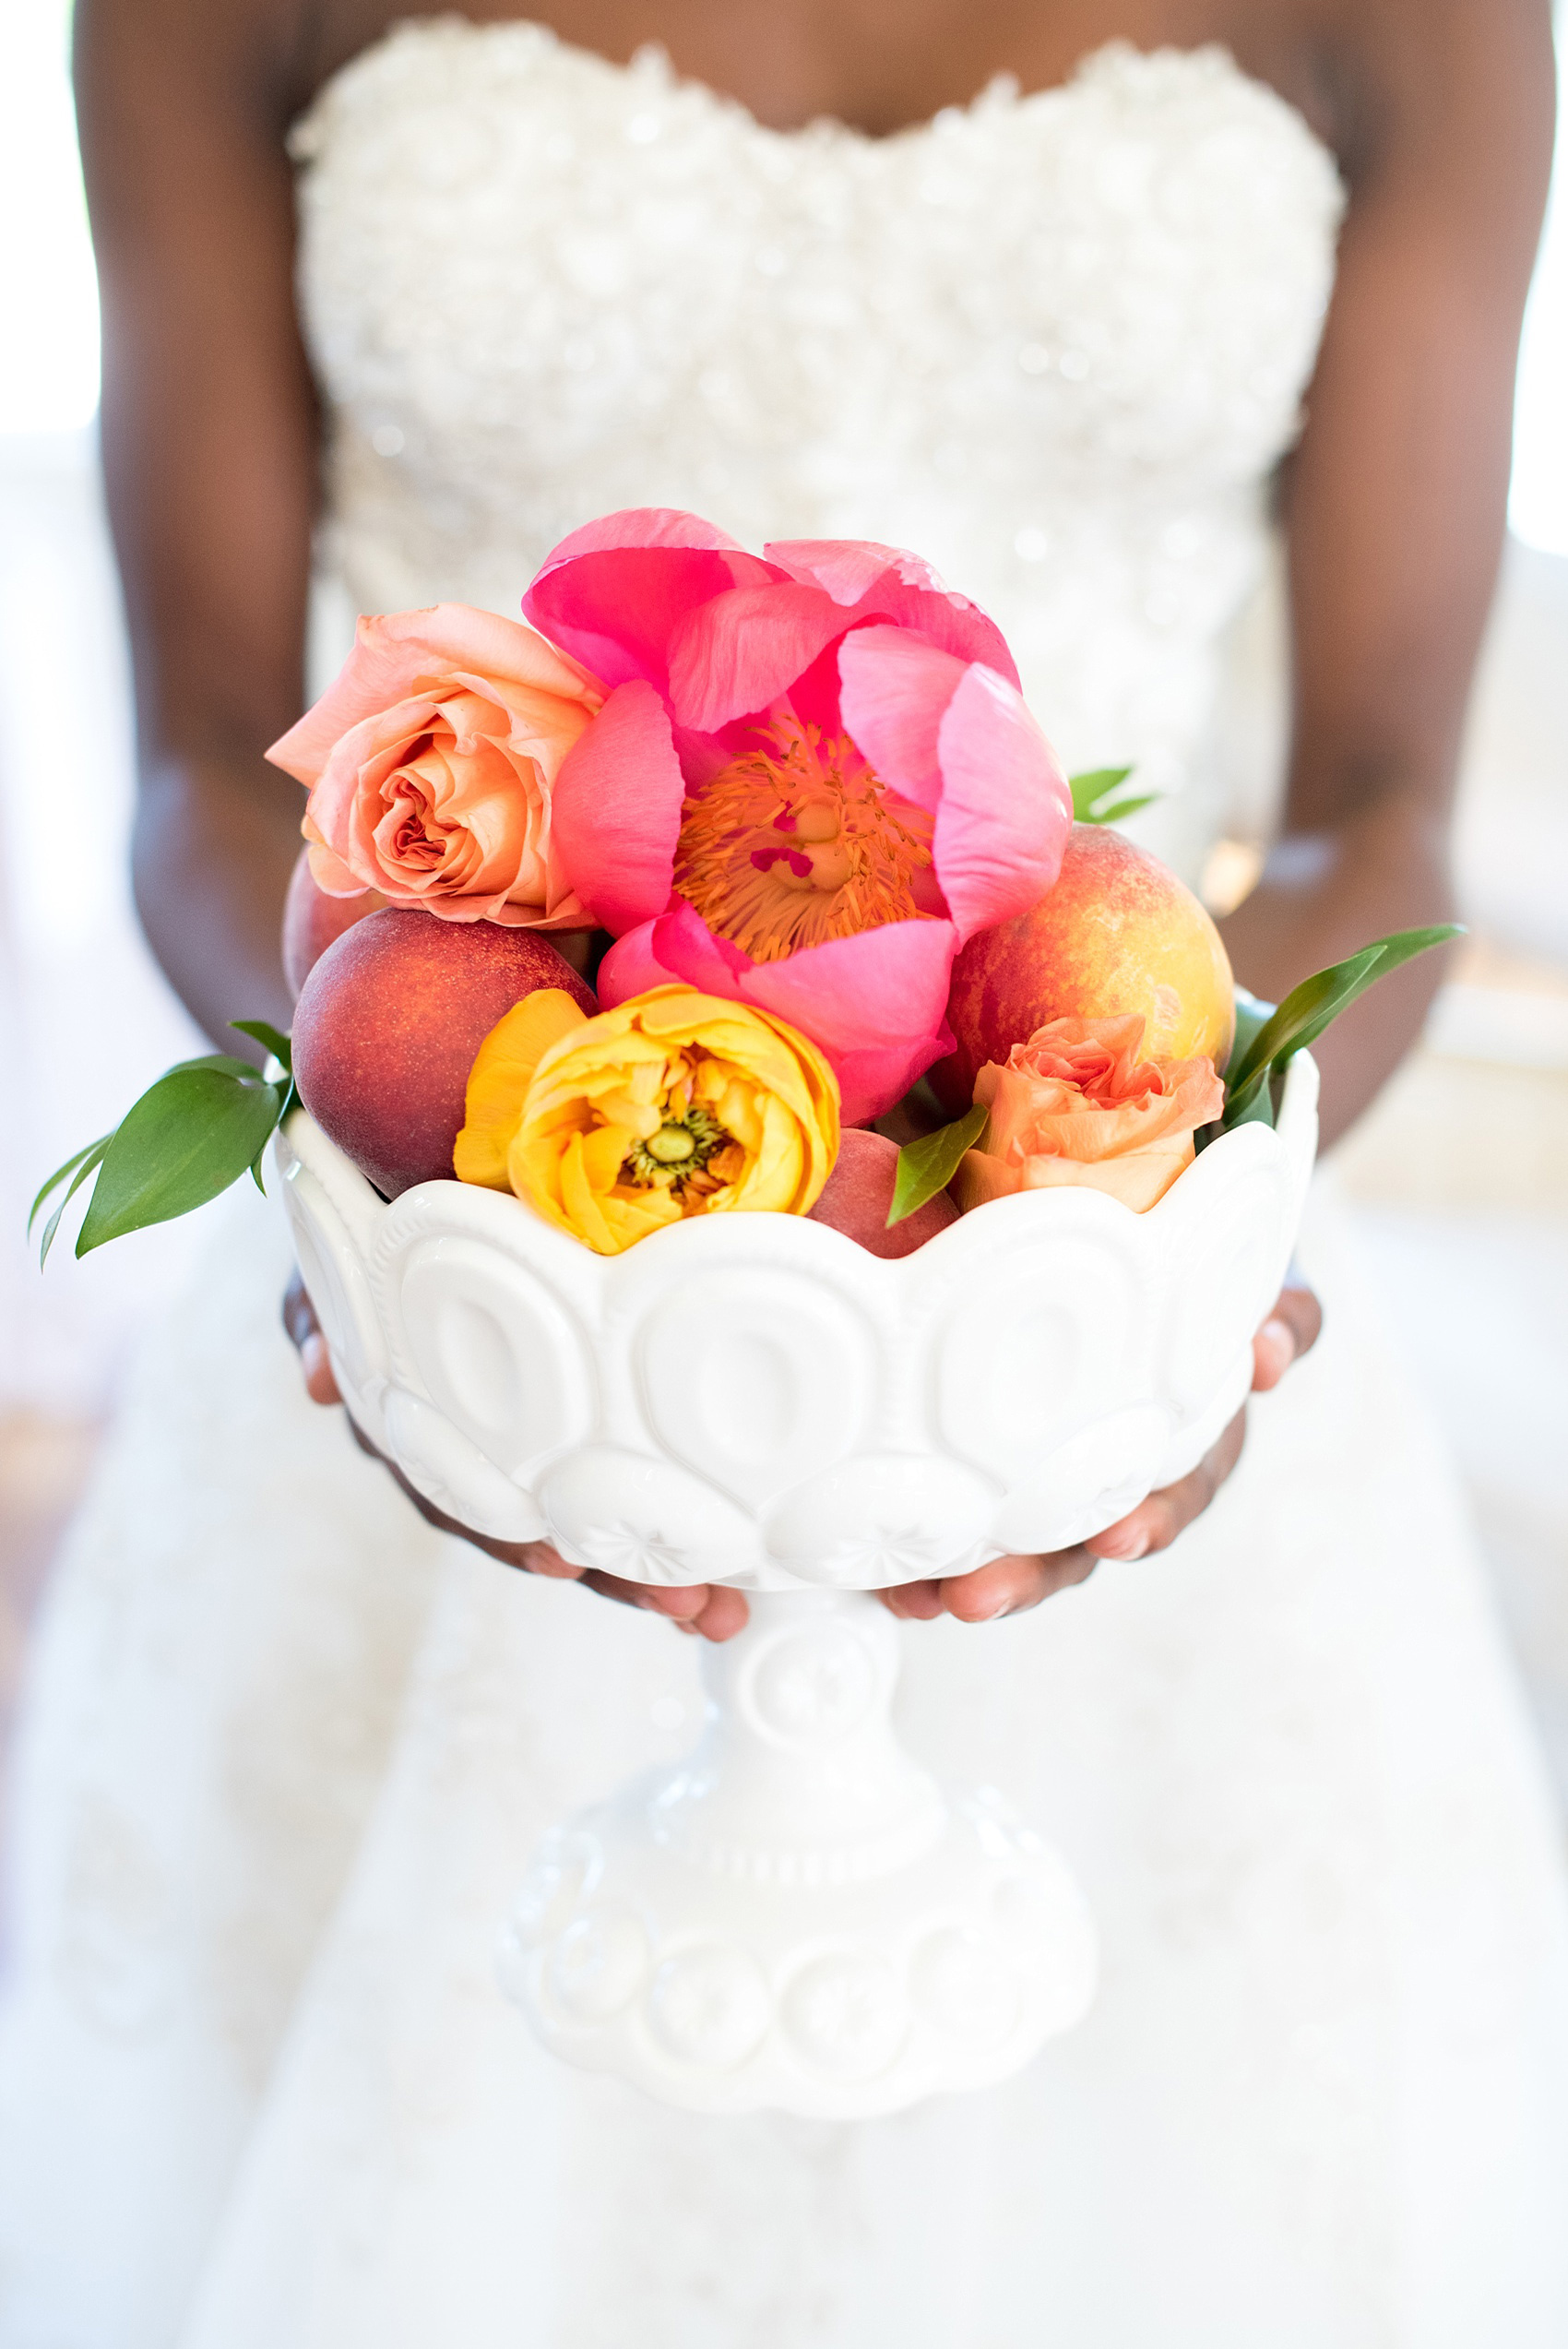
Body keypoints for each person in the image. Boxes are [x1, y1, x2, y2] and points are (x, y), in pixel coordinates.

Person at [2, 0, 1565, 2341]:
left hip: (1093, 1258)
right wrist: (412, 1239)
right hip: (466, 1227)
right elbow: (206, 772)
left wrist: (1162, 1261)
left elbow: (1373, 801)